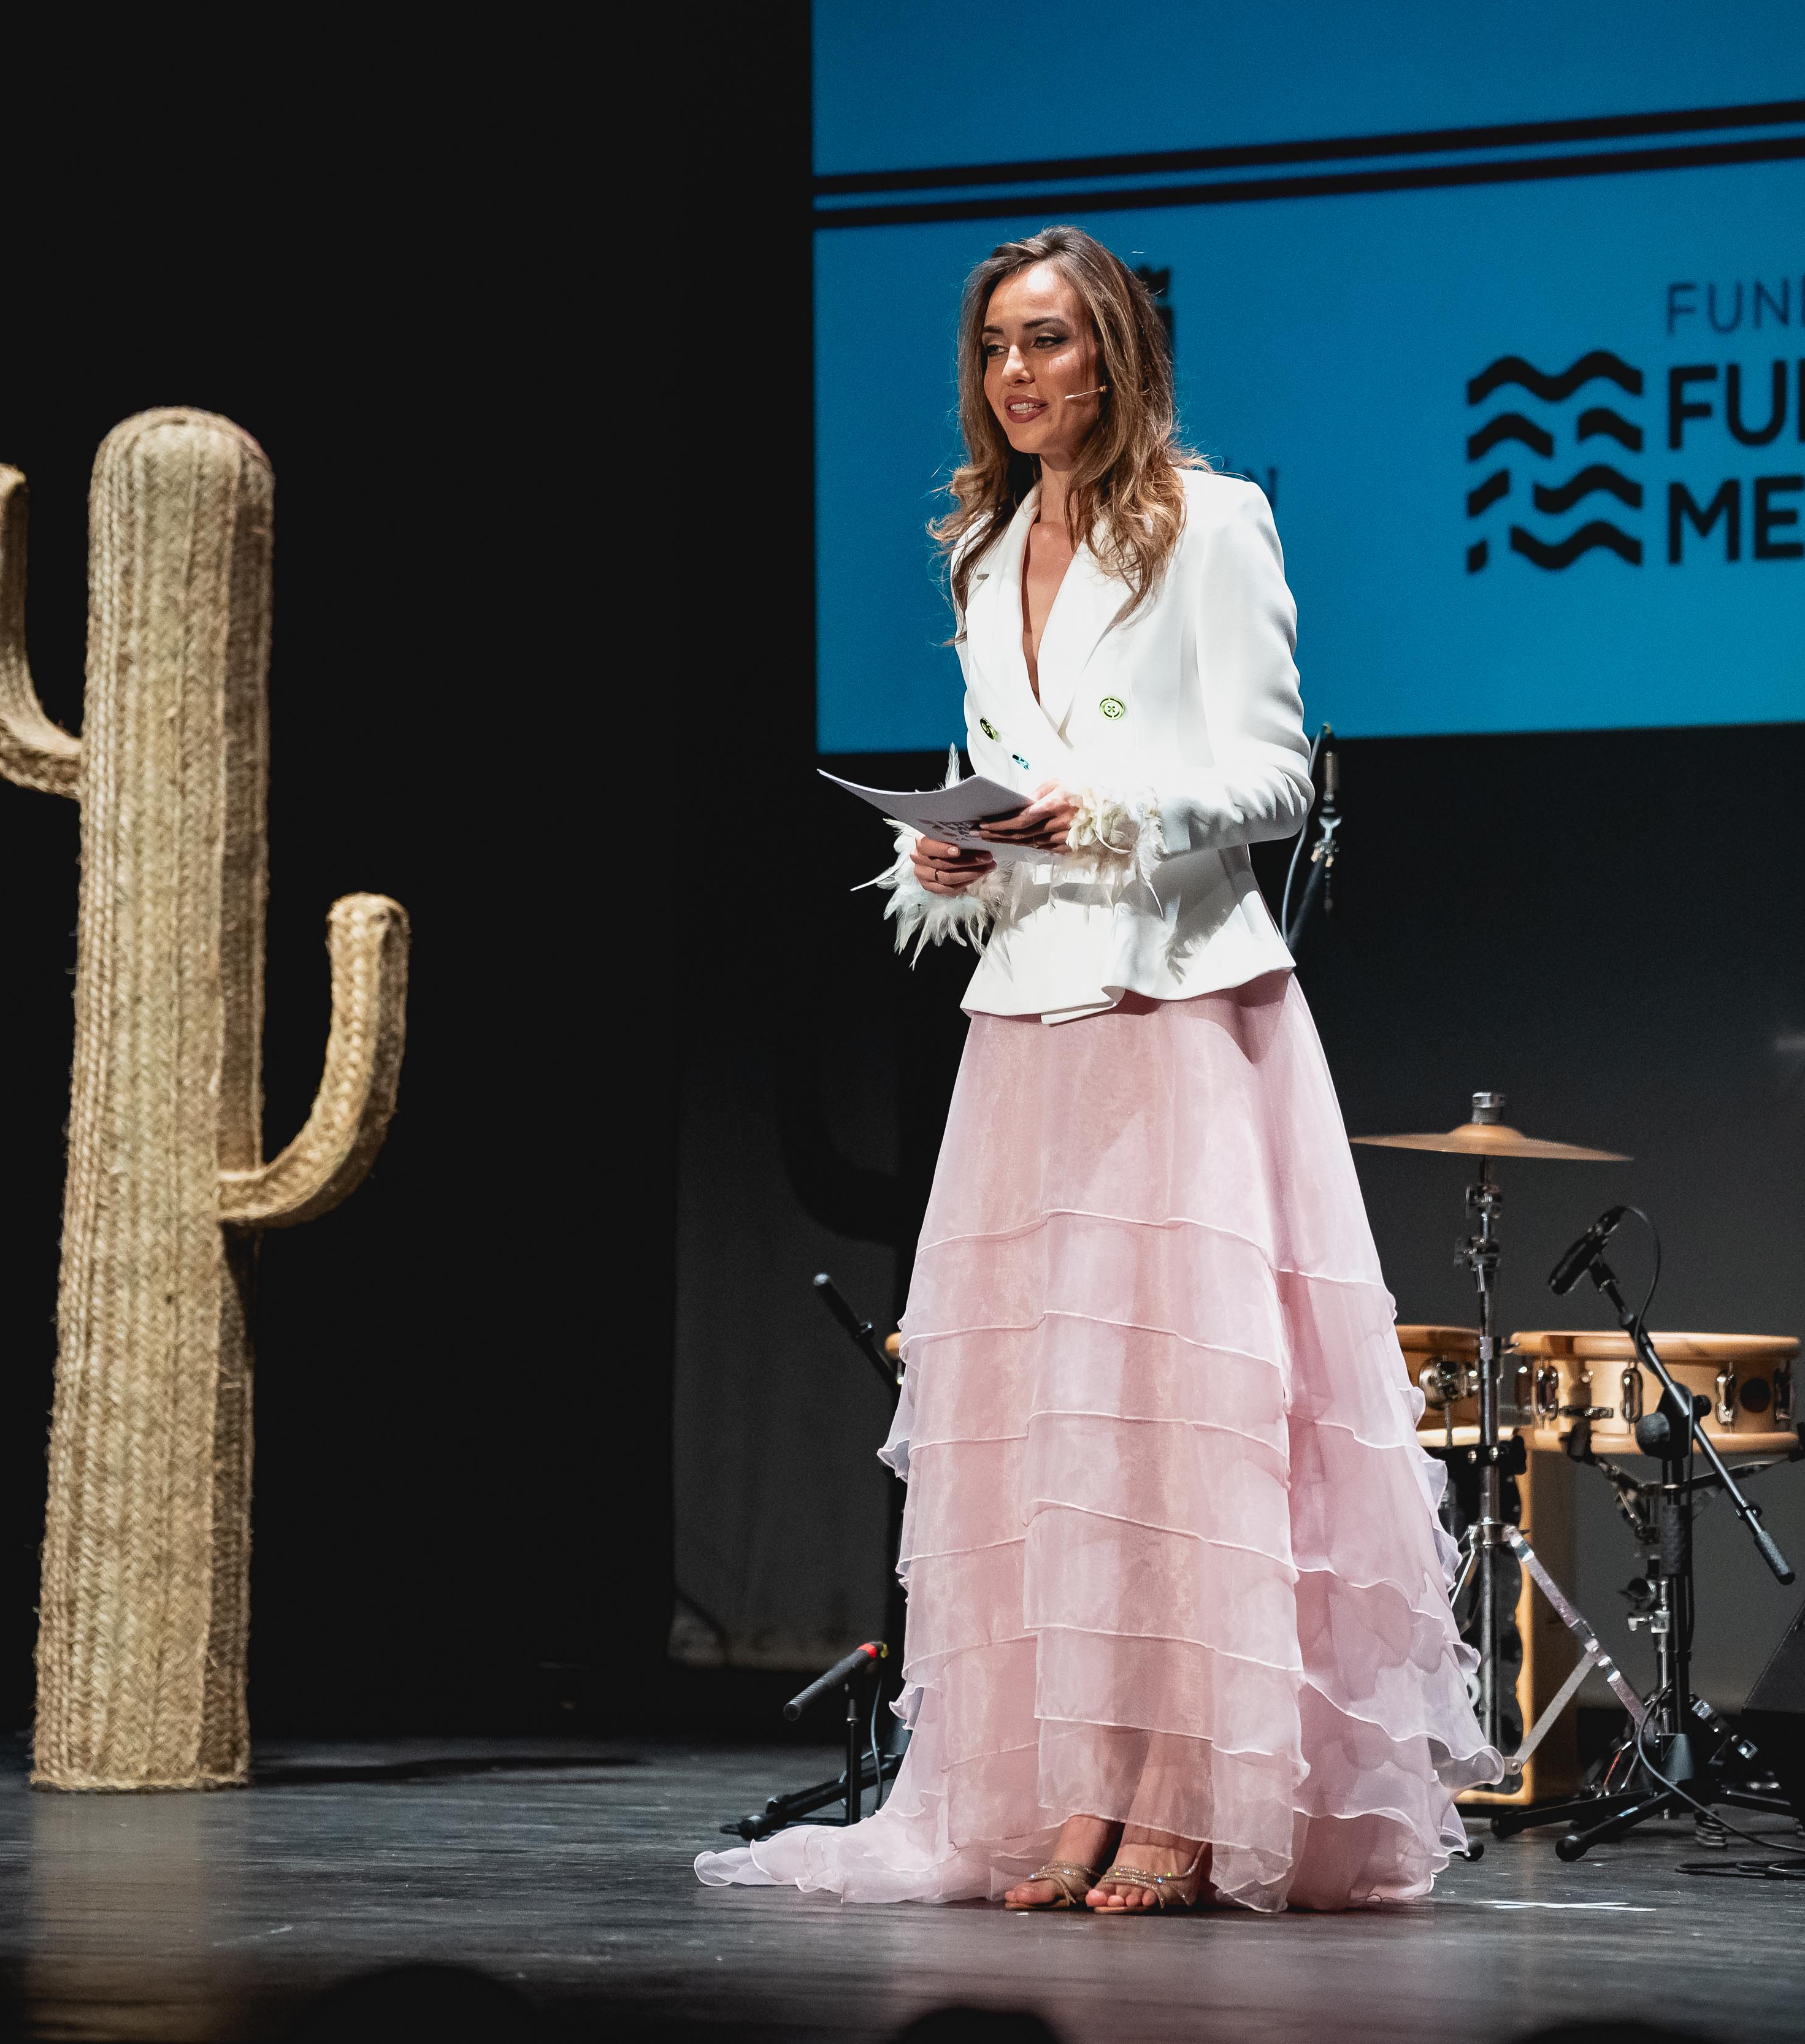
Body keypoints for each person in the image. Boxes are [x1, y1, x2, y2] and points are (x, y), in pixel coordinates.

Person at [696, 225, 1495, 1915]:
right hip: (1034, 1018)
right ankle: (1084, 1783)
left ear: (1116, 354)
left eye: (1049, 340)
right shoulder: (986, 552)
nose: (1018, 374)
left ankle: (1195, 1796)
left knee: (1183, 1412)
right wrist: (950, 857)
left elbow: (1277, 776)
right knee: (1060, 1419)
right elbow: (999, 776)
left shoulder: (1214, 521)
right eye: (996, 347)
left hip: (1181, 1003)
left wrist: (1121, 814)